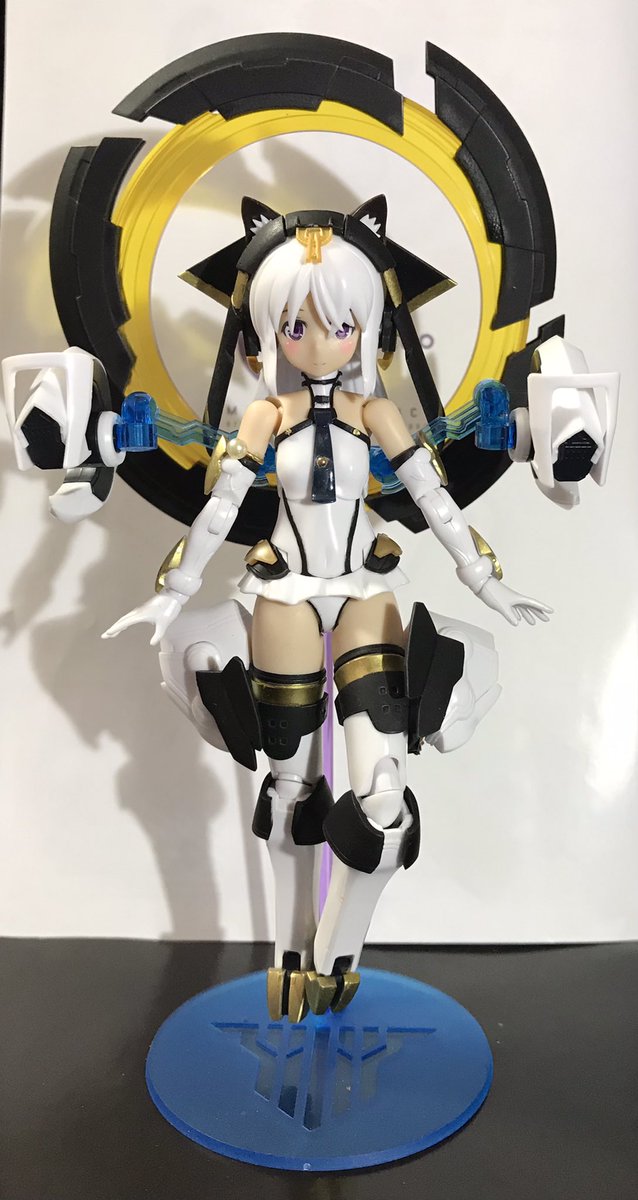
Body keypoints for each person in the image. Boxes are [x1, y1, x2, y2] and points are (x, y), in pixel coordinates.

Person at [104, 197, 551, 1020]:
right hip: (284, 594)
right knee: (289, 789)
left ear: (369, 327)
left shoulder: (376, 414)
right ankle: (289, 945)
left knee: (383, 797)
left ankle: (338, 949)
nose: (320, 341)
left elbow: (436, 501)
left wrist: (487, 581)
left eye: (341, 325)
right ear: (268, 331)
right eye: (296, 325)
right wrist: (172, 592)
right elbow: (217, 512)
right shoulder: (263, 417)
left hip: (363, 593)